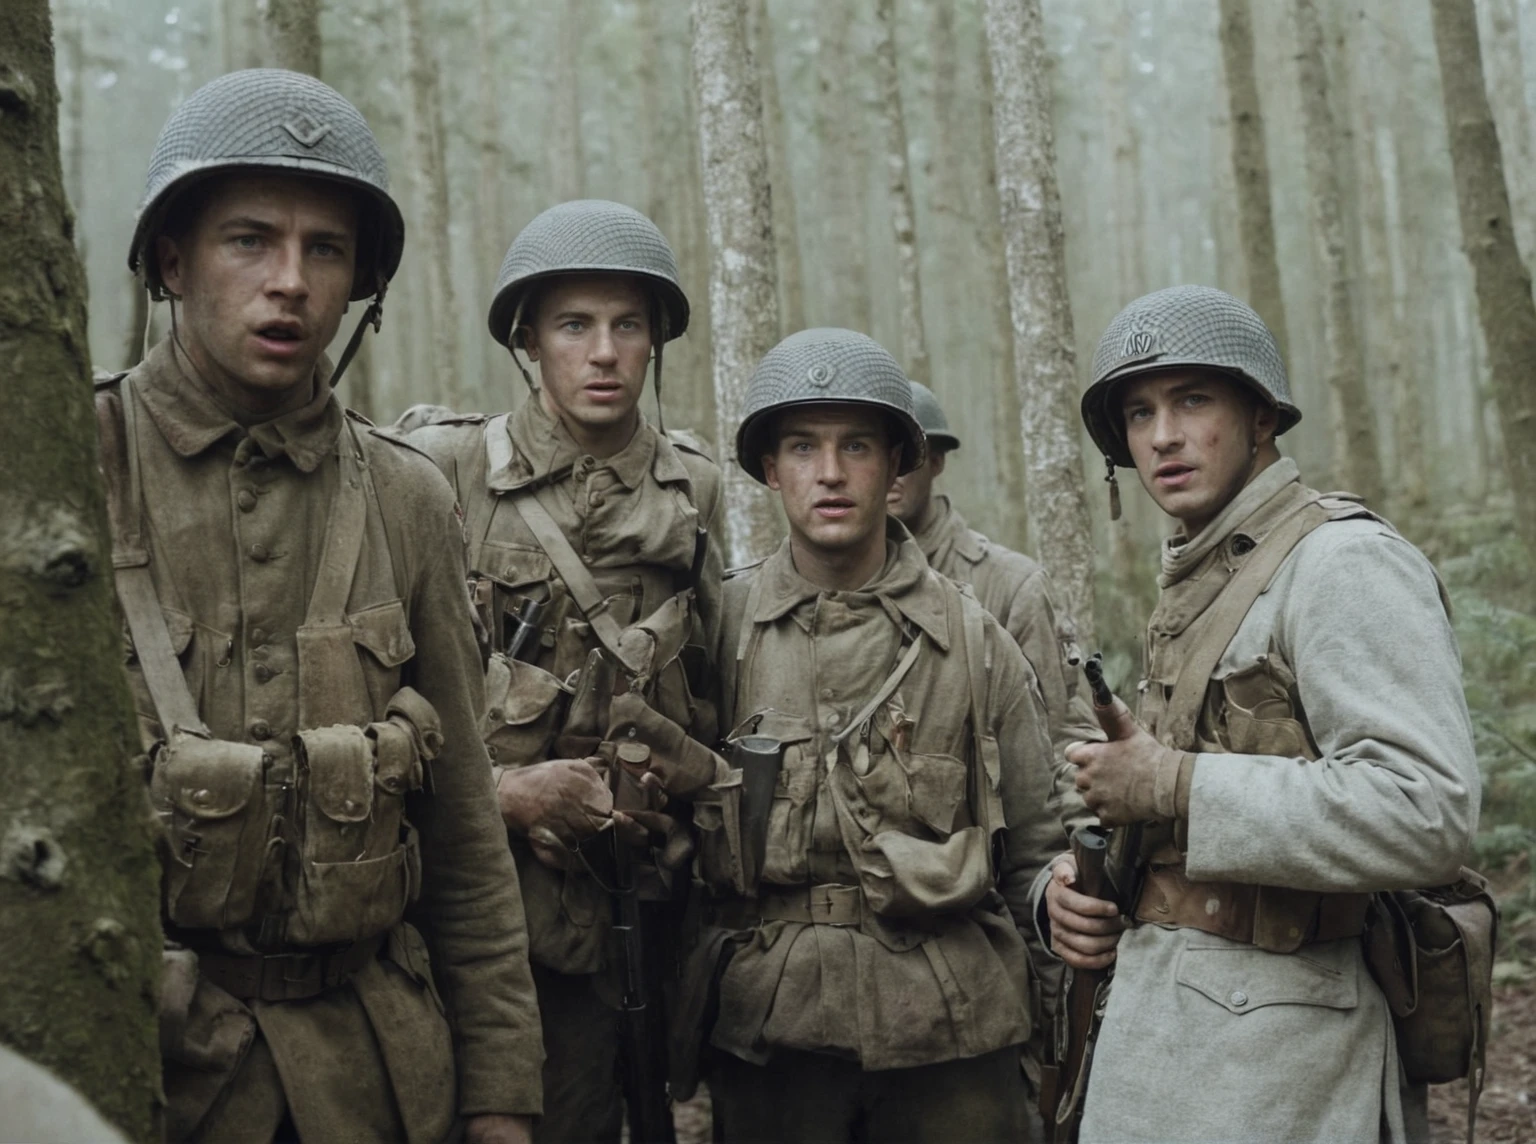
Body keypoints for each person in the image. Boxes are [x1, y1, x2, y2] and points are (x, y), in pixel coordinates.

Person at [101, 69, 542, 1144]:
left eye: (325, 250)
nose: (290, 282)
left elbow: (467, 834)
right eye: (249, 240)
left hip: (373, 1079)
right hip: (145, 1078)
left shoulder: (406, 494)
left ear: (361, 286)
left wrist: (499, 1099)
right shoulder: (70, 466)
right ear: (173, 259)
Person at [1046, 285, 1480, 1141]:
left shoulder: (1340, 562)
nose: (1162, 435)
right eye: (1138, 413)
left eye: (1192, 400)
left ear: (1260, 417)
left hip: (1286, 1058)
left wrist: (1175, 784)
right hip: (1166, 1030)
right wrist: (1078, 886)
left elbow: (1427, 811)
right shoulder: (1204, 570)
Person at [684, 328, 1071, 1143]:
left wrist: (1057, 1045)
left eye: (856, 445)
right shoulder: (718, 632)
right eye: (802, 447)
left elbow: (1036, 855)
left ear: (898, 465)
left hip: (951, 1038)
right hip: (772, 1036)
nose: (829, 473)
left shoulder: (974, 641)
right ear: (767, 469)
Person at [407, 199, 724, 1143]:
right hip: (459, 902)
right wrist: (509, 794)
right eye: (574, 326)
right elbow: (388, 689)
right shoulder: (443, 468)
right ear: (528, 341)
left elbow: (705, 690)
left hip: (610, 916)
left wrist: (658, 795)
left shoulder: (693, 489)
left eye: (629, 326)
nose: (603, 354)